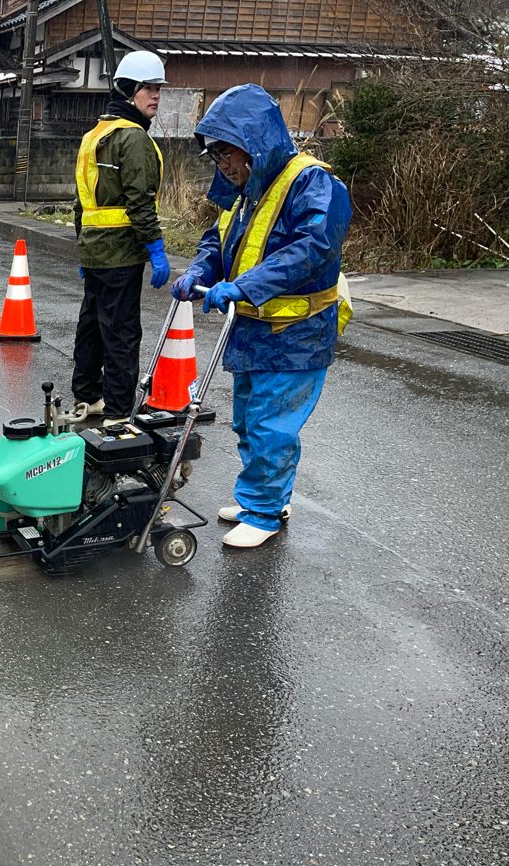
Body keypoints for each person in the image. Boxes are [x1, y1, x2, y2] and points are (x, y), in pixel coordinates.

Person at [171, 83, 352, 549]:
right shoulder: (250, 190)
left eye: (229, 153)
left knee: (273, 425)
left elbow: (312, 247)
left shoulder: (314, 184)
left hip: (297, 333)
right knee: (250, 421)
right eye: (216, 157)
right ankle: (263, 499)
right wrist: (198, 270)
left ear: (256, 143)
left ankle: (265, 511)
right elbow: (219, 238)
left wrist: (244, 286)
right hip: (254, 330)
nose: (224, 166)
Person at [72, 50, 171, 426]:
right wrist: (156, 249)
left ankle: (88, 395)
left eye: (158, 88)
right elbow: (140, 203)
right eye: (149, 88)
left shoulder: (94, 135)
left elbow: (80, 202)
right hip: (122, 253)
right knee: (122, 333)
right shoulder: (133, 140)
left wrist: (83, 249)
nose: (156, 96)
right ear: (130, 91)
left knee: (93, 325)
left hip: (95, 251)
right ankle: (117, 412)